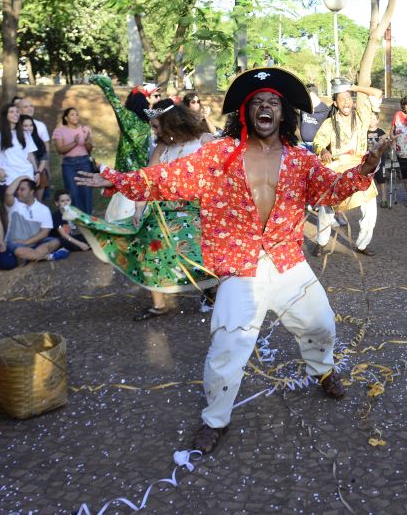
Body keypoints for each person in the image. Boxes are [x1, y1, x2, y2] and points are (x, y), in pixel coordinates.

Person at [76, 66, 389, 454]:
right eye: (256, 102)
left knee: (322, 324)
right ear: (244, 113)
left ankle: (322, 370)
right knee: (227, 348)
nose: (264, 107)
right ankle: (215, 420)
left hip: (287, 262)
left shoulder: (300, 160)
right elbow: (168, 178)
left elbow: (331, 190)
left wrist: (366, 169)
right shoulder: (218, 156)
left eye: (272, 102)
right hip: (241, 268)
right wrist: (119, 180)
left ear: (283, 114)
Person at [69, 102, 216, 320]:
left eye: (157, 126)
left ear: (171, 123)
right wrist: (138, 209)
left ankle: (210, 291)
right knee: (148, 243)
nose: (154, 131)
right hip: (165, 212)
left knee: (207, 252)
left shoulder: (205, 142)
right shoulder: (161, 149)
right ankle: (159, 304)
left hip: (200, 210)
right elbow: (145, 180)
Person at [312, 78, 384, 256]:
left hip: (360, 169)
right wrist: (322, 151)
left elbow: (377, 94)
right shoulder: (329, 123)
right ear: (335, 103)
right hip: (338, 169)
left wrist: (353, 87)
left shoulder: (362, 117)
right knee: (326, 206)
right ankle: (321, 243)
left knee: (370, 208)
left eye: (348, 98)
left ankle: (362, 244)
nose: (346, 102)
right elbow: (318, 142)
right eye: (341, 99)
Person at [90, 75, 160, 220]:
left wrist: (103, 83)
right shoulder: (146, 124)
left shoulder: (128, 118)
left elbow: (114, 102)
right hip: (143, 179)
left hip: (126, 180)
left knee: (120, 218)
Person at [4, 176, 68, 262]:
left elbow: (44, 233)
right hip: (16, 243)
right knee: (20, 250)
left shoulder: (43, 209)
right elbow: (8, 193)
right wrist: (21, 177)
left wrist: (27, 242)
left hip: (36, 242)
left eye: (22, 189)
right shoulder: (14, 204)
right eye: (18, 189)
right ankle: (48, 257)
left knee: (55, 242)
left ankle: (30, 256)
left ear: (31, 191)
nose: (18, 192)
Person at [0, 103, 36, 211]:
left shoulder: (25, 134)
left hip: (26, 175)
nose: (16, 114)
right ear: (5, 115)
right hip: (8, 177)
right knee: (9, 210)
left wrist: (36, 172)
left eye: (17, 112)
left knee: (27, 209)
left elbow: (30, 154)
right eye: (12, 112)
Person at [51, 107, 95, 215]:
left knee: (86, 191)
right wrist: (74, 143)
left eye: (77, 114)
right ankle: (77, 219)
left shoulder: (85, 129)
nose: (75, 116)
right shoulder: (59, 131)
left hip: (84, 163)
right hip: (69, 165)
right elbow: (60, 150)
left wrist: (85, 141)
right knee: (73, 192)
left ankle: (88, 218)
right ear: (66, 118)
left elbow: (90, 149)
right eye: (72, 114)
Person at [19, 115, 50, 200]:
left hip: (39, 173)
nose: (29, 128)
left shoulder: (37, 139)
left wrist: (38, 172)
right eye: (25, 126)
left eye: (31, 125)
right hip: (23, 175)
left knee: (37, 201)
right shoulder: (17, 141)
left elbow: (44, 157)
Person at [366, 113, 389, 207]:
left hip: (380, 161)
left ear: (377, 120)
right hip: (367, 161)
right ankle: (368, 199)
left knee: (381, 179)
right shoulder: (364, 132)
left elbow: (387, 144)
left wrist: (383, 141)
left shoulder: (381, 132)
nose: (371, 121)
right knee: (367, 179)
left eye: (373, 119)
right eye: (370, 118)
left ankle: (384, 199)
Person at [299, 84, 330, 152]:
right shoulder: (304, 107)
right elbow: (301, 122)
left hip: (316, 146)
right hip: (304, 145)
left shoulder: (324, 109)